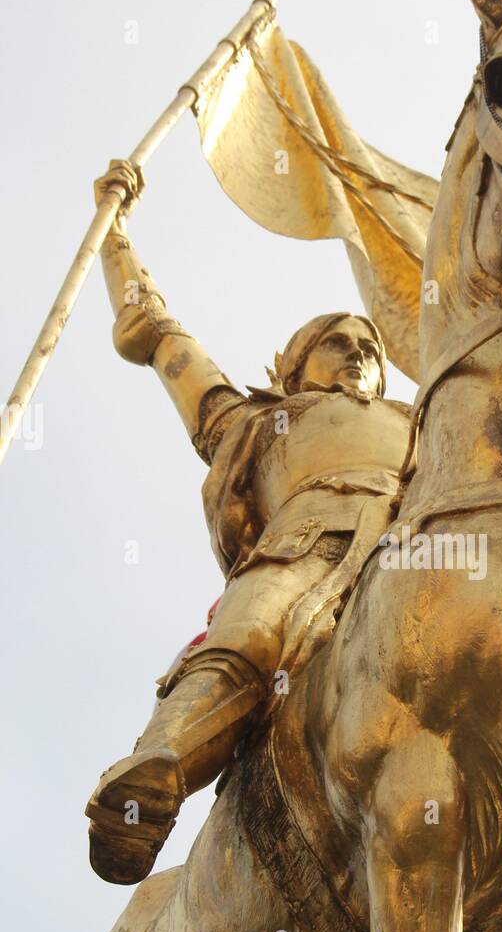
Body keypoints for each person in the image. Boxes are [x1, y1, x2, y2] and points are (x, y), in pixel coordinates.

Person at [86, 161, 410, 886]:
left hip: (428, 546)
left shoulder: (424, 423)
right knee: (254, 629)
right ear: (295, 366)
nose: (359, 356)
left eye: (370, 350)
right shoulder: (253, 419)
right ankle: (158, 772)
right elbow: (157, 333)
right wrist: (116, 236)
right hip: (308, 543)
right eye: (339, 343)